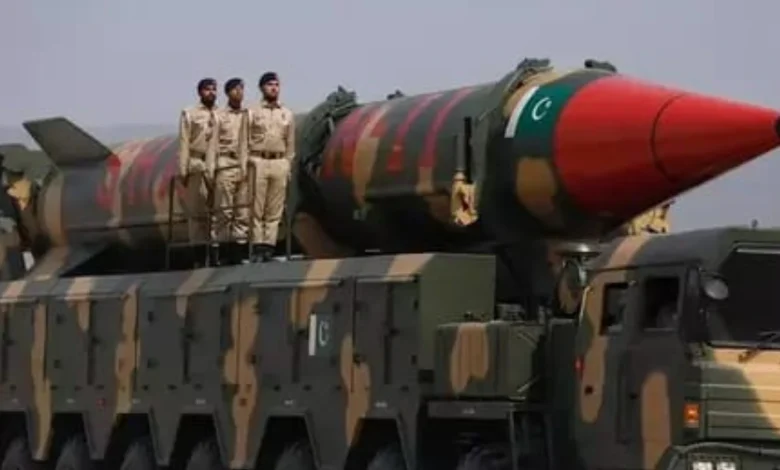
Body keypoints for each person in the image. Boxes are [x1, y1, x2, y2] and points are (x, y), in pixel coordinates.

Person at [238, 71, 296, 262]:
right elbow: (243, 142)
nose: (274, 88)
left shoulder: (286, 114)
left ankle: (268, 247)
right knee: (257, 207)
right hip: (258, 161)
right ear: (262, 88)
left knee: (274, 209)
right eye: (270, 85)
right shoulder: (251, 112)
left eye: (276, 85)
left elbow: (290, 143)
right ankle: (257, 246)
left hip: (279, 162)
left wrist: (287, 164)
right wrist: (244, 167)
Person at [177, 78, 219, 241]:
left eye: (214, 89)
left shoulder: (221, 113)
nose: (211, 92)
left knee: (219, 209)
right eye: (207, 89)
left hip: (217, 164)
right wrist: (183, 170)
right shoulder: (190, 113)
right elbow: (184, 142)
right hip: (197, 163)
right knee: (197, 210)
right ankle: (198, 247)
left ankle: (216, 246)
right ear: (200, 92)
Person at [213, 78, 249, 245]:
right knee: (224, 210)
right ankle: (223, 246)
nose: (239, 92)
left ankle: (239, 247)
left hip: (244, 164)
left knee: (243, 210)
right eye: (235, 89)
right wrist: (212, 169)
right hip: (225, 162)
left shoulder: (248, 114)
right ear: (228, 93)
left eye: (241, 89)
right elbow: (212, 144)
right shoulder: (219, 116)